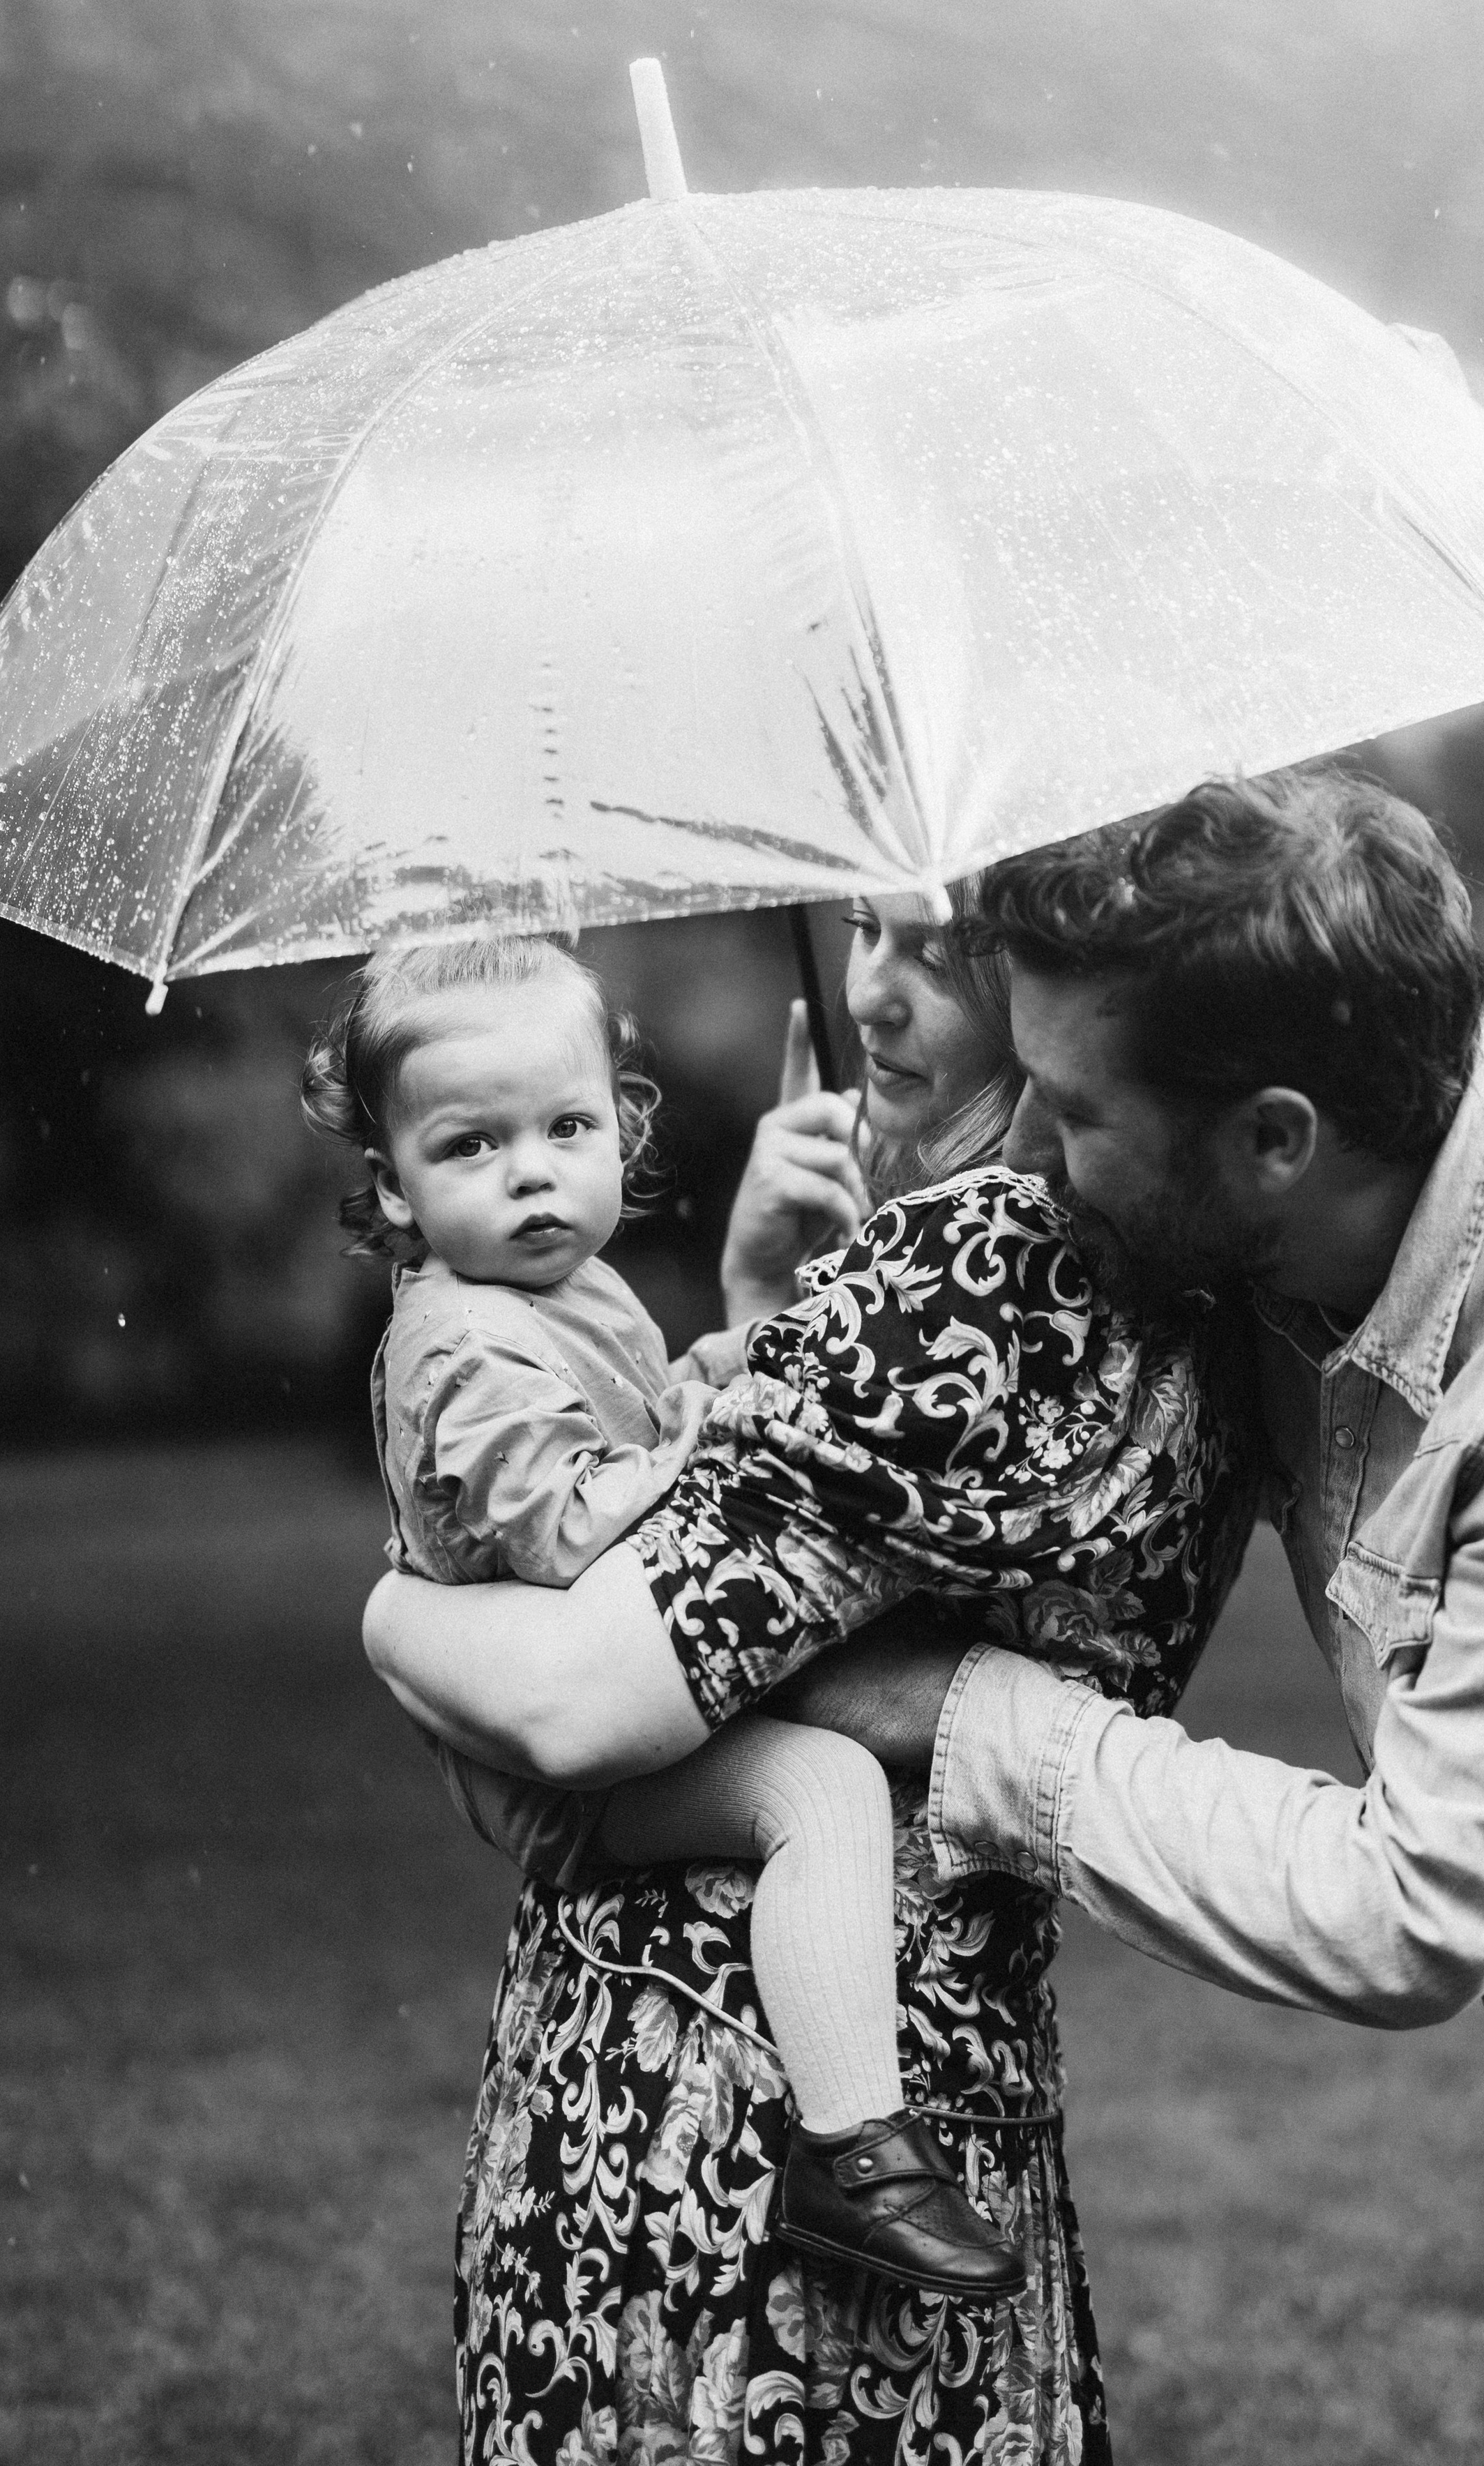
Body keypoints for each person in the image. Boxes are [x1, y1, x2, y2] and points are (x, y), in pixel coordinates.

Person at [810, 770, 1484, 2466]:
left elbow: (1410, 1911)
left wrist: (967, 1717)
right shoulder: (1276, 1245)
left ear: (1273, 1137)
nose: (1034, 1155)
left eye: (1072, 1111)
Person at [362, 887, 1260, 2466]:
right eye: (867, 931)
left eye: (943, 953)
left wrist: (393, 1620)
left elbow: (602, 1670)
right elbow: (785, 1563)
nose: (873, 994)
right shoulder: (1184, 1255)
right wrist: (777, 1316)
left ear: (1060, 982)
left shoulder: (977, 1262)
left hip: (717, 2109)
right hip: (949, 2072)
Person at [302, 930, 1017, 2296]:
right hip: (560, 1767)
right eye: (469, 1146)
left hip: (602, 1703)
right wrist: (712, 1430)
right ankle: (854, 2149)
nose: (529, 1172)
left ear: (621, 1132)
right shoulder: (464, 1342)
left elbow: (633, 1420)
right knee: (820, 1787)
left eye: (564, 1128)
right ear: (392, 1187)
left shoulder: (557, 1291)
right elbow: (570, 1526)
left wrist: (737, 1356)